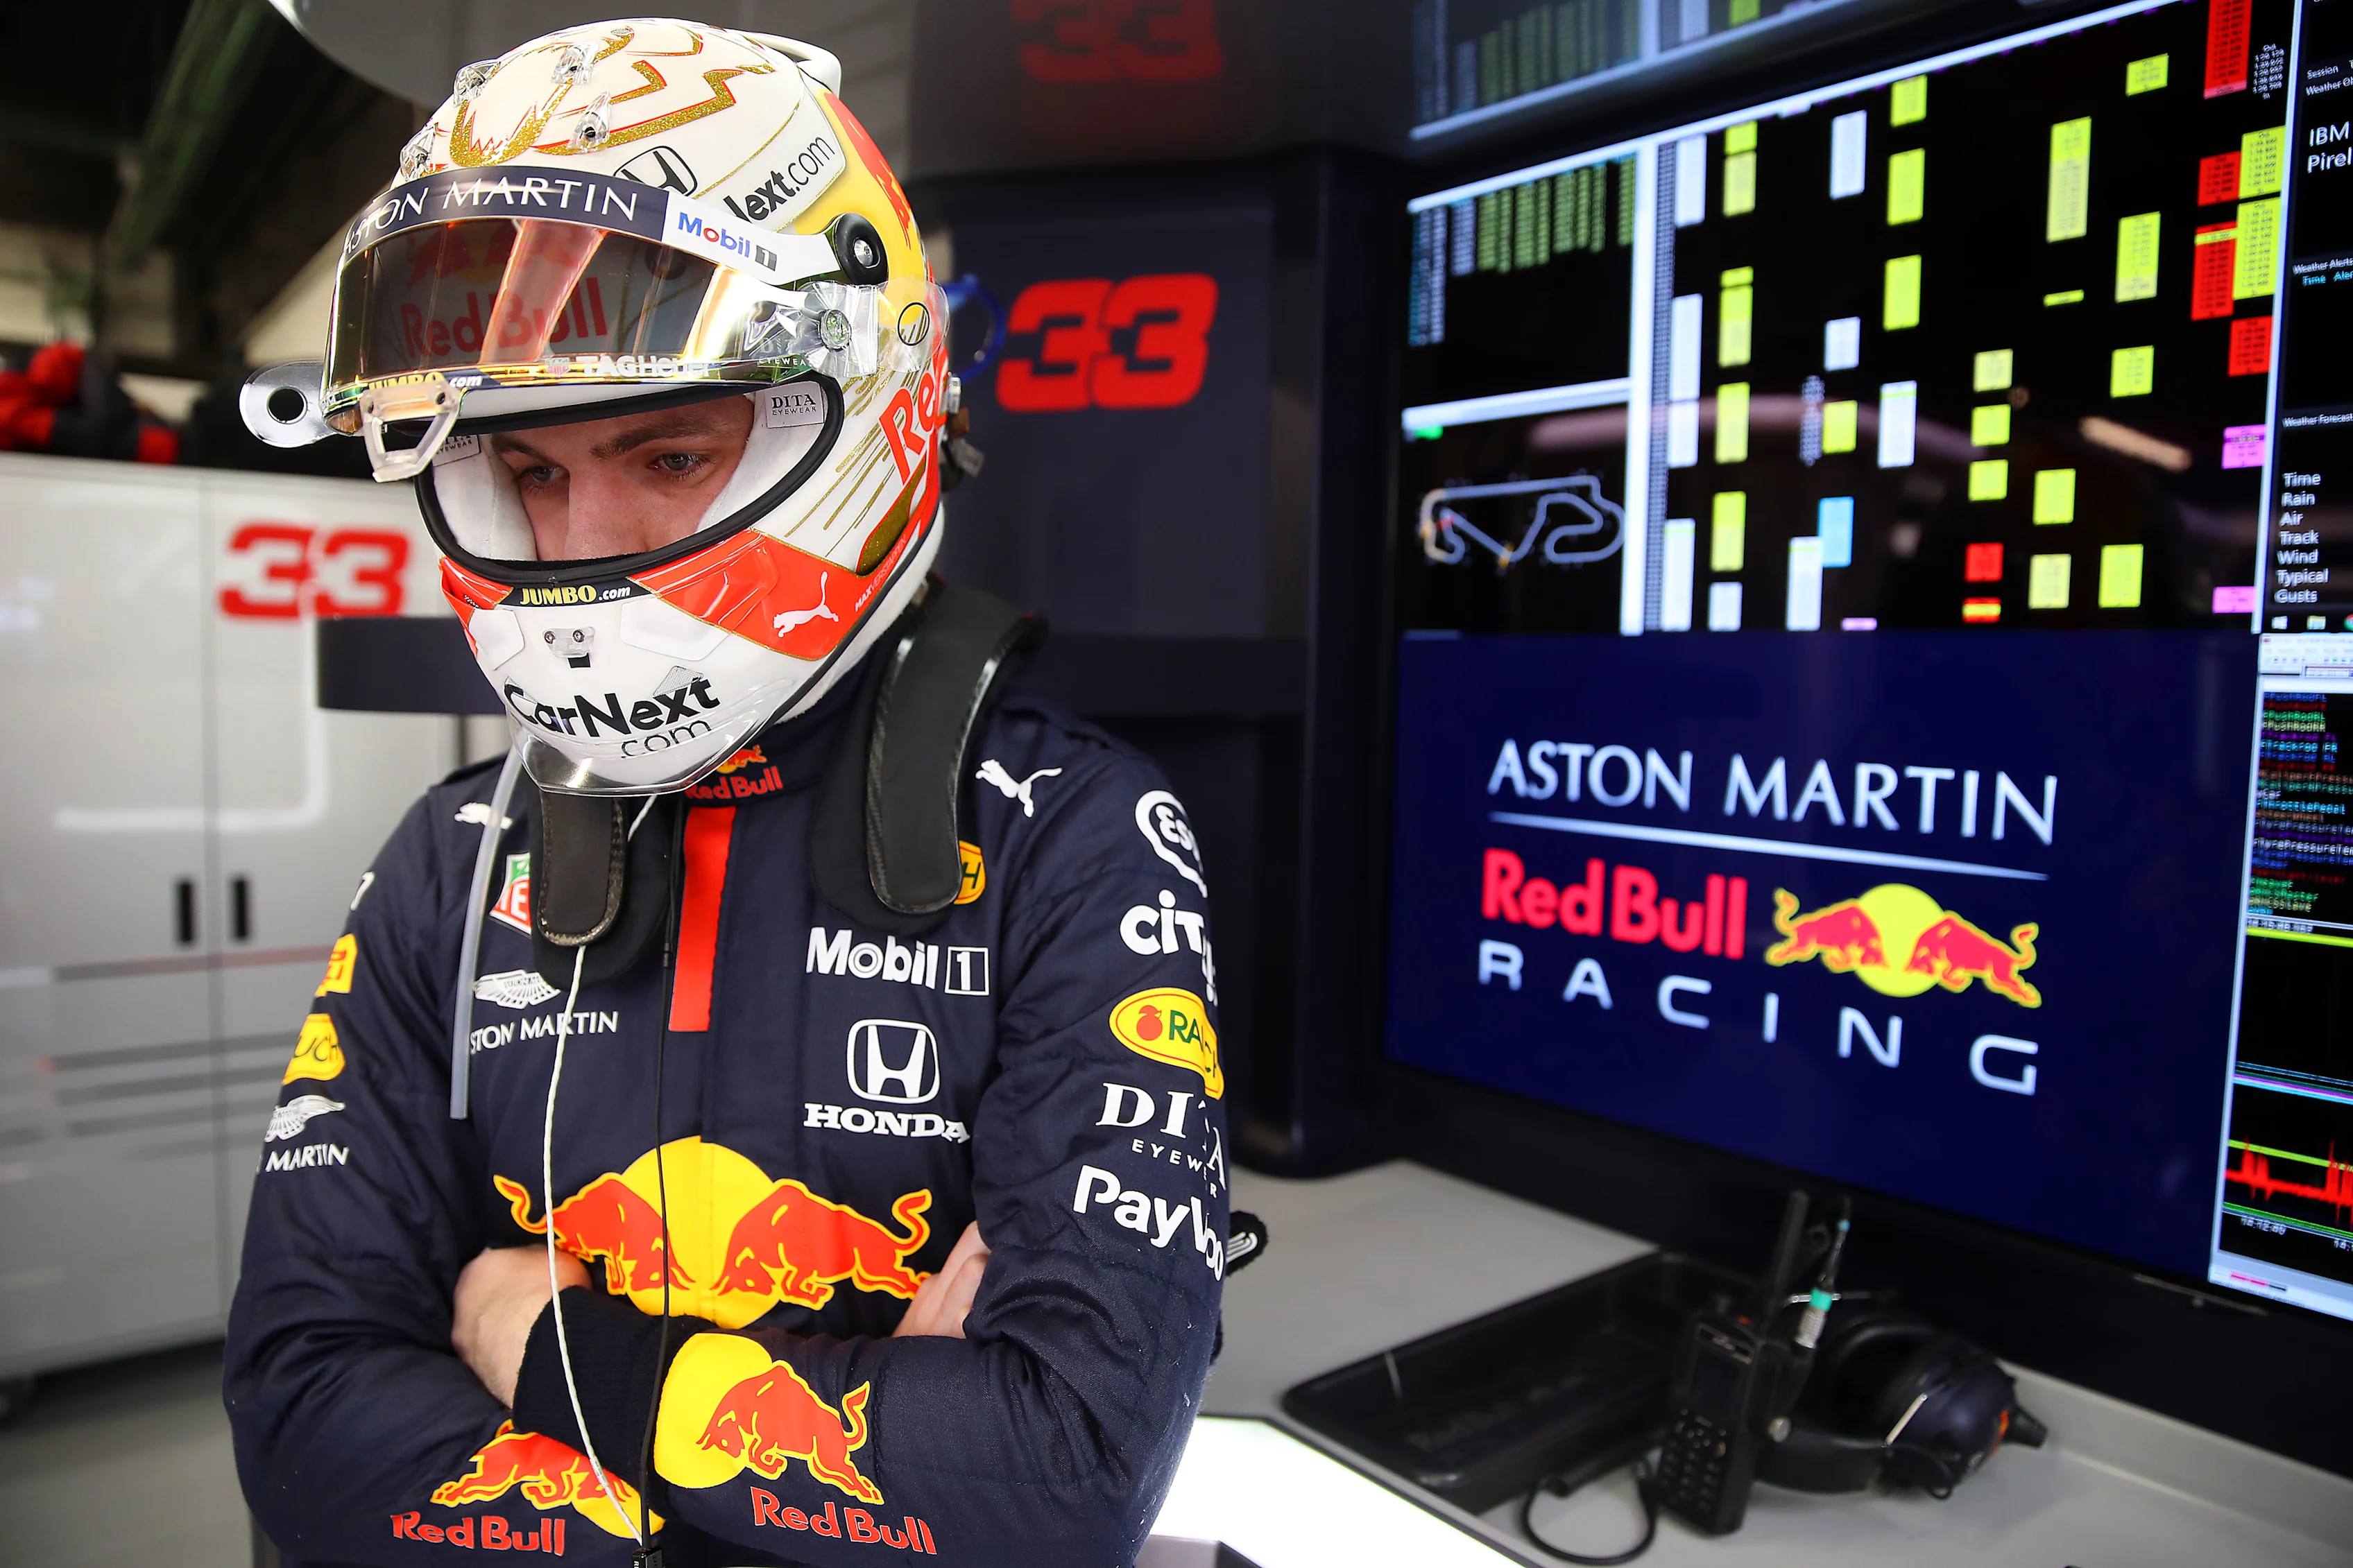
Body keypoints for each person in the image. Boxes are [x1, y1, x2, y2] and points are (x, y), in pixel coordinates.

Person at [224, 21, 1232, 1566]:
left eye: (671, 454)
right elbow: (303, 1421)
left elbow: (1066, 1475)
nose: (580, 543)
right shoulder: (452, 856)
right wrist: (843, 1471)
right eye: (533, 476)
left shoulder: (1072, 835)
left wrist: (546, 1353)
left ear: (868, 418)